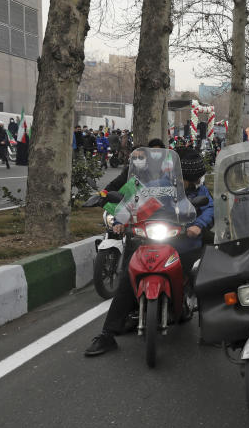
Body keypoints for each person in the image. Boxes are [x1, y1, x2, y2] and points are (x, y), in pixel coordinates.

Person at [85, 148, 214, 356]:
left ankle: (211, 330)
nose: (192, 183)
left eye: (194, 179)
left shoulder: (200, 190)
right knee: (128, 278)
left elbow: (209, 208)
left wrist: (198, 224)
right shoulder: (159, 187)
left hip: (185, 243)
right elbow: (133, 202)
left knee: (203, 277)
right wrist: (119, 221)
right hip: (153, 241)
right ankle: (107, 334)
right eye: (188, 179)